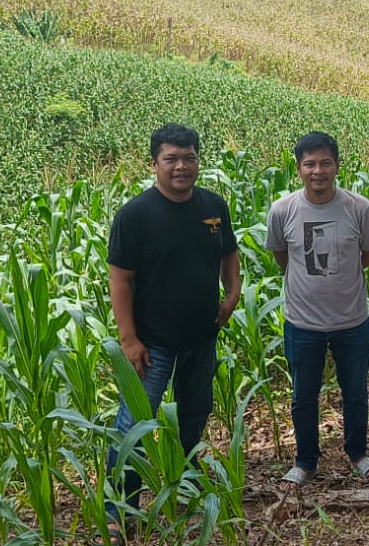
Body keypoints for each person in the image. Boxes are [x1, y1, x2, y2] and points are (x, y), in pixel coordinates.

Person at [103, 123, 242, 543]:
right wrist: (128, 339)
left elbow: (229, 253)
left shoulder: (213, 206)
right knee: (133, 427)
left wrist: (232, 294)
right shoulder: (135, 215)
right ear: (155, 164)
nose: (182, 166)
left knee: (193, 416)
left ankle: (183, 489)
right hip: (152, 343)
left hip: (201, 335)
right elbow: (120, 279)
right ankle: (119, 509)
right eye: (172, 159)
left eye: (189, 158)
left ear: (198, 160)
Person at [266, 132, 369, 487]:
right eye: (310, 164)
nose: (318, 170)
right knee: (303, 396)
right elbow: (281, 257)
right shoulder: (282, 210)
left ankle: (358, 453)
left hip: (352, 321)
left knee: (355, 391)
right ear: (299, 168)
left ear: (337, 166)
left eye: (325, 163)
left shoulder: (359, 208)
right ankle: (305, 462)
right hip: (303, 323)